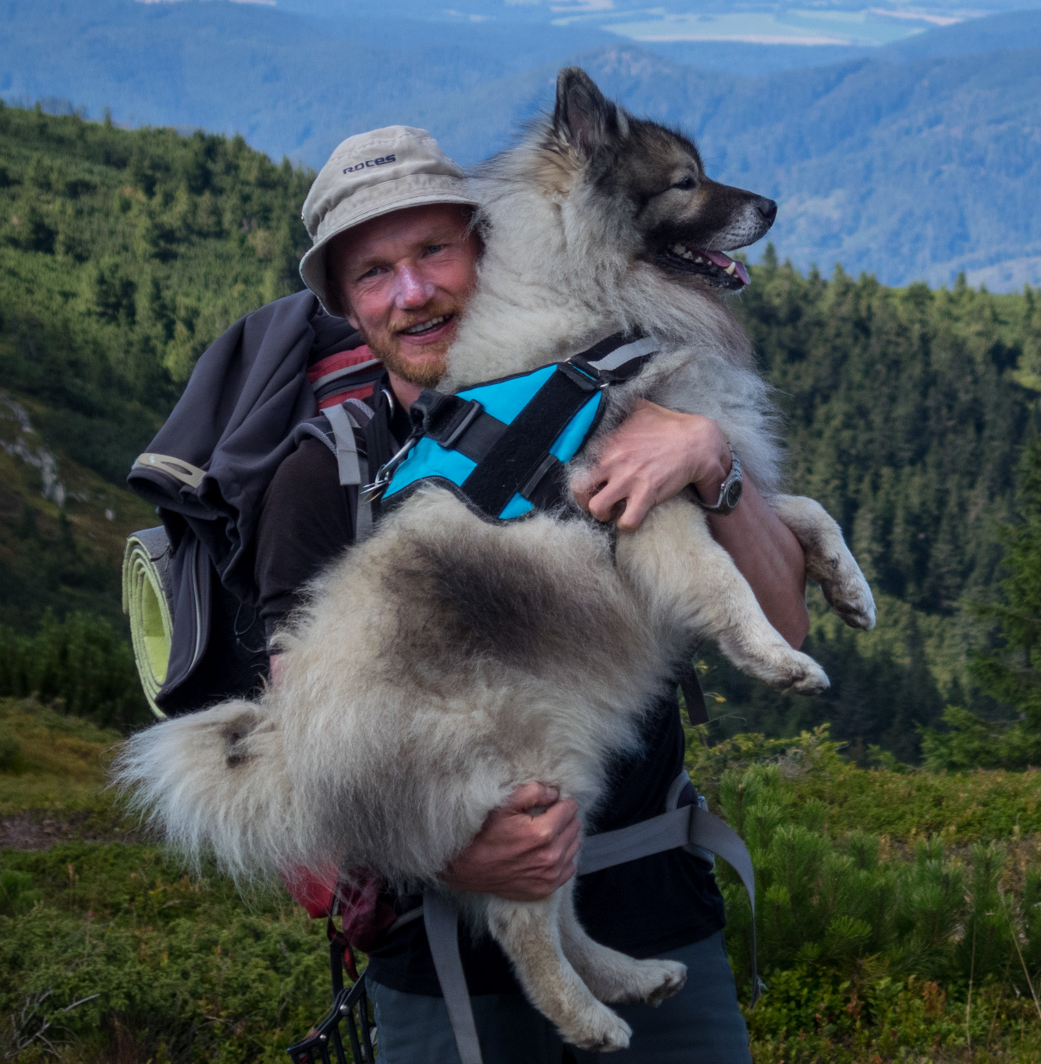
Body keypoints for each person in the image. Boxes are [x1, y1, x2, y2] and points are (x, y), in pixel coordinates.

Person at [255, 126, 808, 1062]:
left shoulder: (613, 388)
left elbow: (785, 625)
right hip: (443, 967)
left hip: (657, 912)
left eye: (433, 250)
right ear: (345, 304)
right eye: (374, 273)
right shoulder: (324, 479)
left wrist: (713, 464)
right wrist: (451, 851)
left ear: (491, 241)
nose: (414, 292)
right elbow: (296, 746)